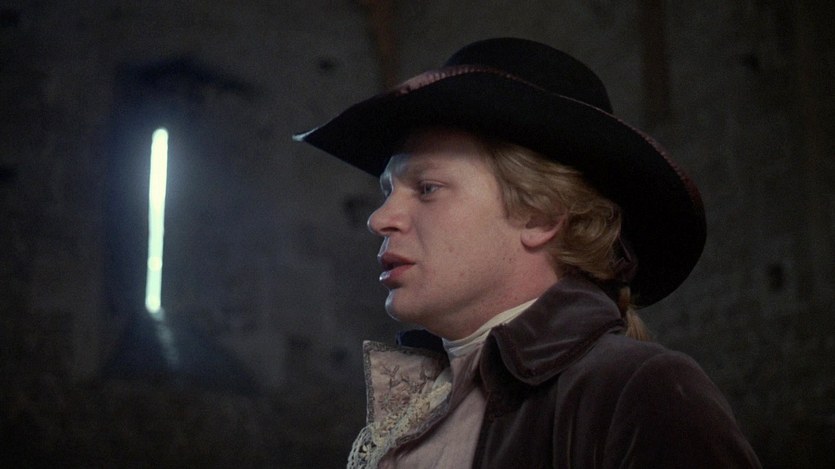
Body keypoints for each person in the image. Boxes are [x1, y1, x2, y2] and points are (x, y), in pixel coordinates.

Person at [295, 37, 761, 468]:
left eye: (427, 188)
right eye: (387, 190)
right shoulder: (411, 416)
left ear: (540, 216)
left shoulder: (642, 393)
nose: (380, 218)